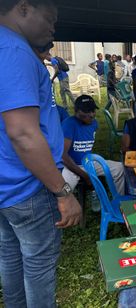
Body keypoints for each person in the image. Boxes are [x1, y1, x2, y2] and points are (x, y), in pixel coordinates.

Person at [0, 1, 82, 307]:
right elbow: (23, 133)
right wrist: (62, 192)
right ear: (23, 7)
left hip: (7, 184)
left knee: (11, 255)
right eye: (49, 19)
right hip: (28, 185)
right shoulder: (15, 51)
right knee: (37, 264)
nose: (53, 28)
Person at [62, 95, 124, 194]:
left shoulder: (94, 124)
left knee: (119, 168)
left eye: (93, 110)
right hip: (71, 166)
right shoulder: (68, 125)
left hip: (88, 162)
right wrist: (85, 176)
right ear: (76, 111)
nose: (91, 114)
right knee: (64, 191)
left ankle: (120, 201)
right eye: (87, 111)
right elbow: (63, 156)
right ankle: (64, 206)